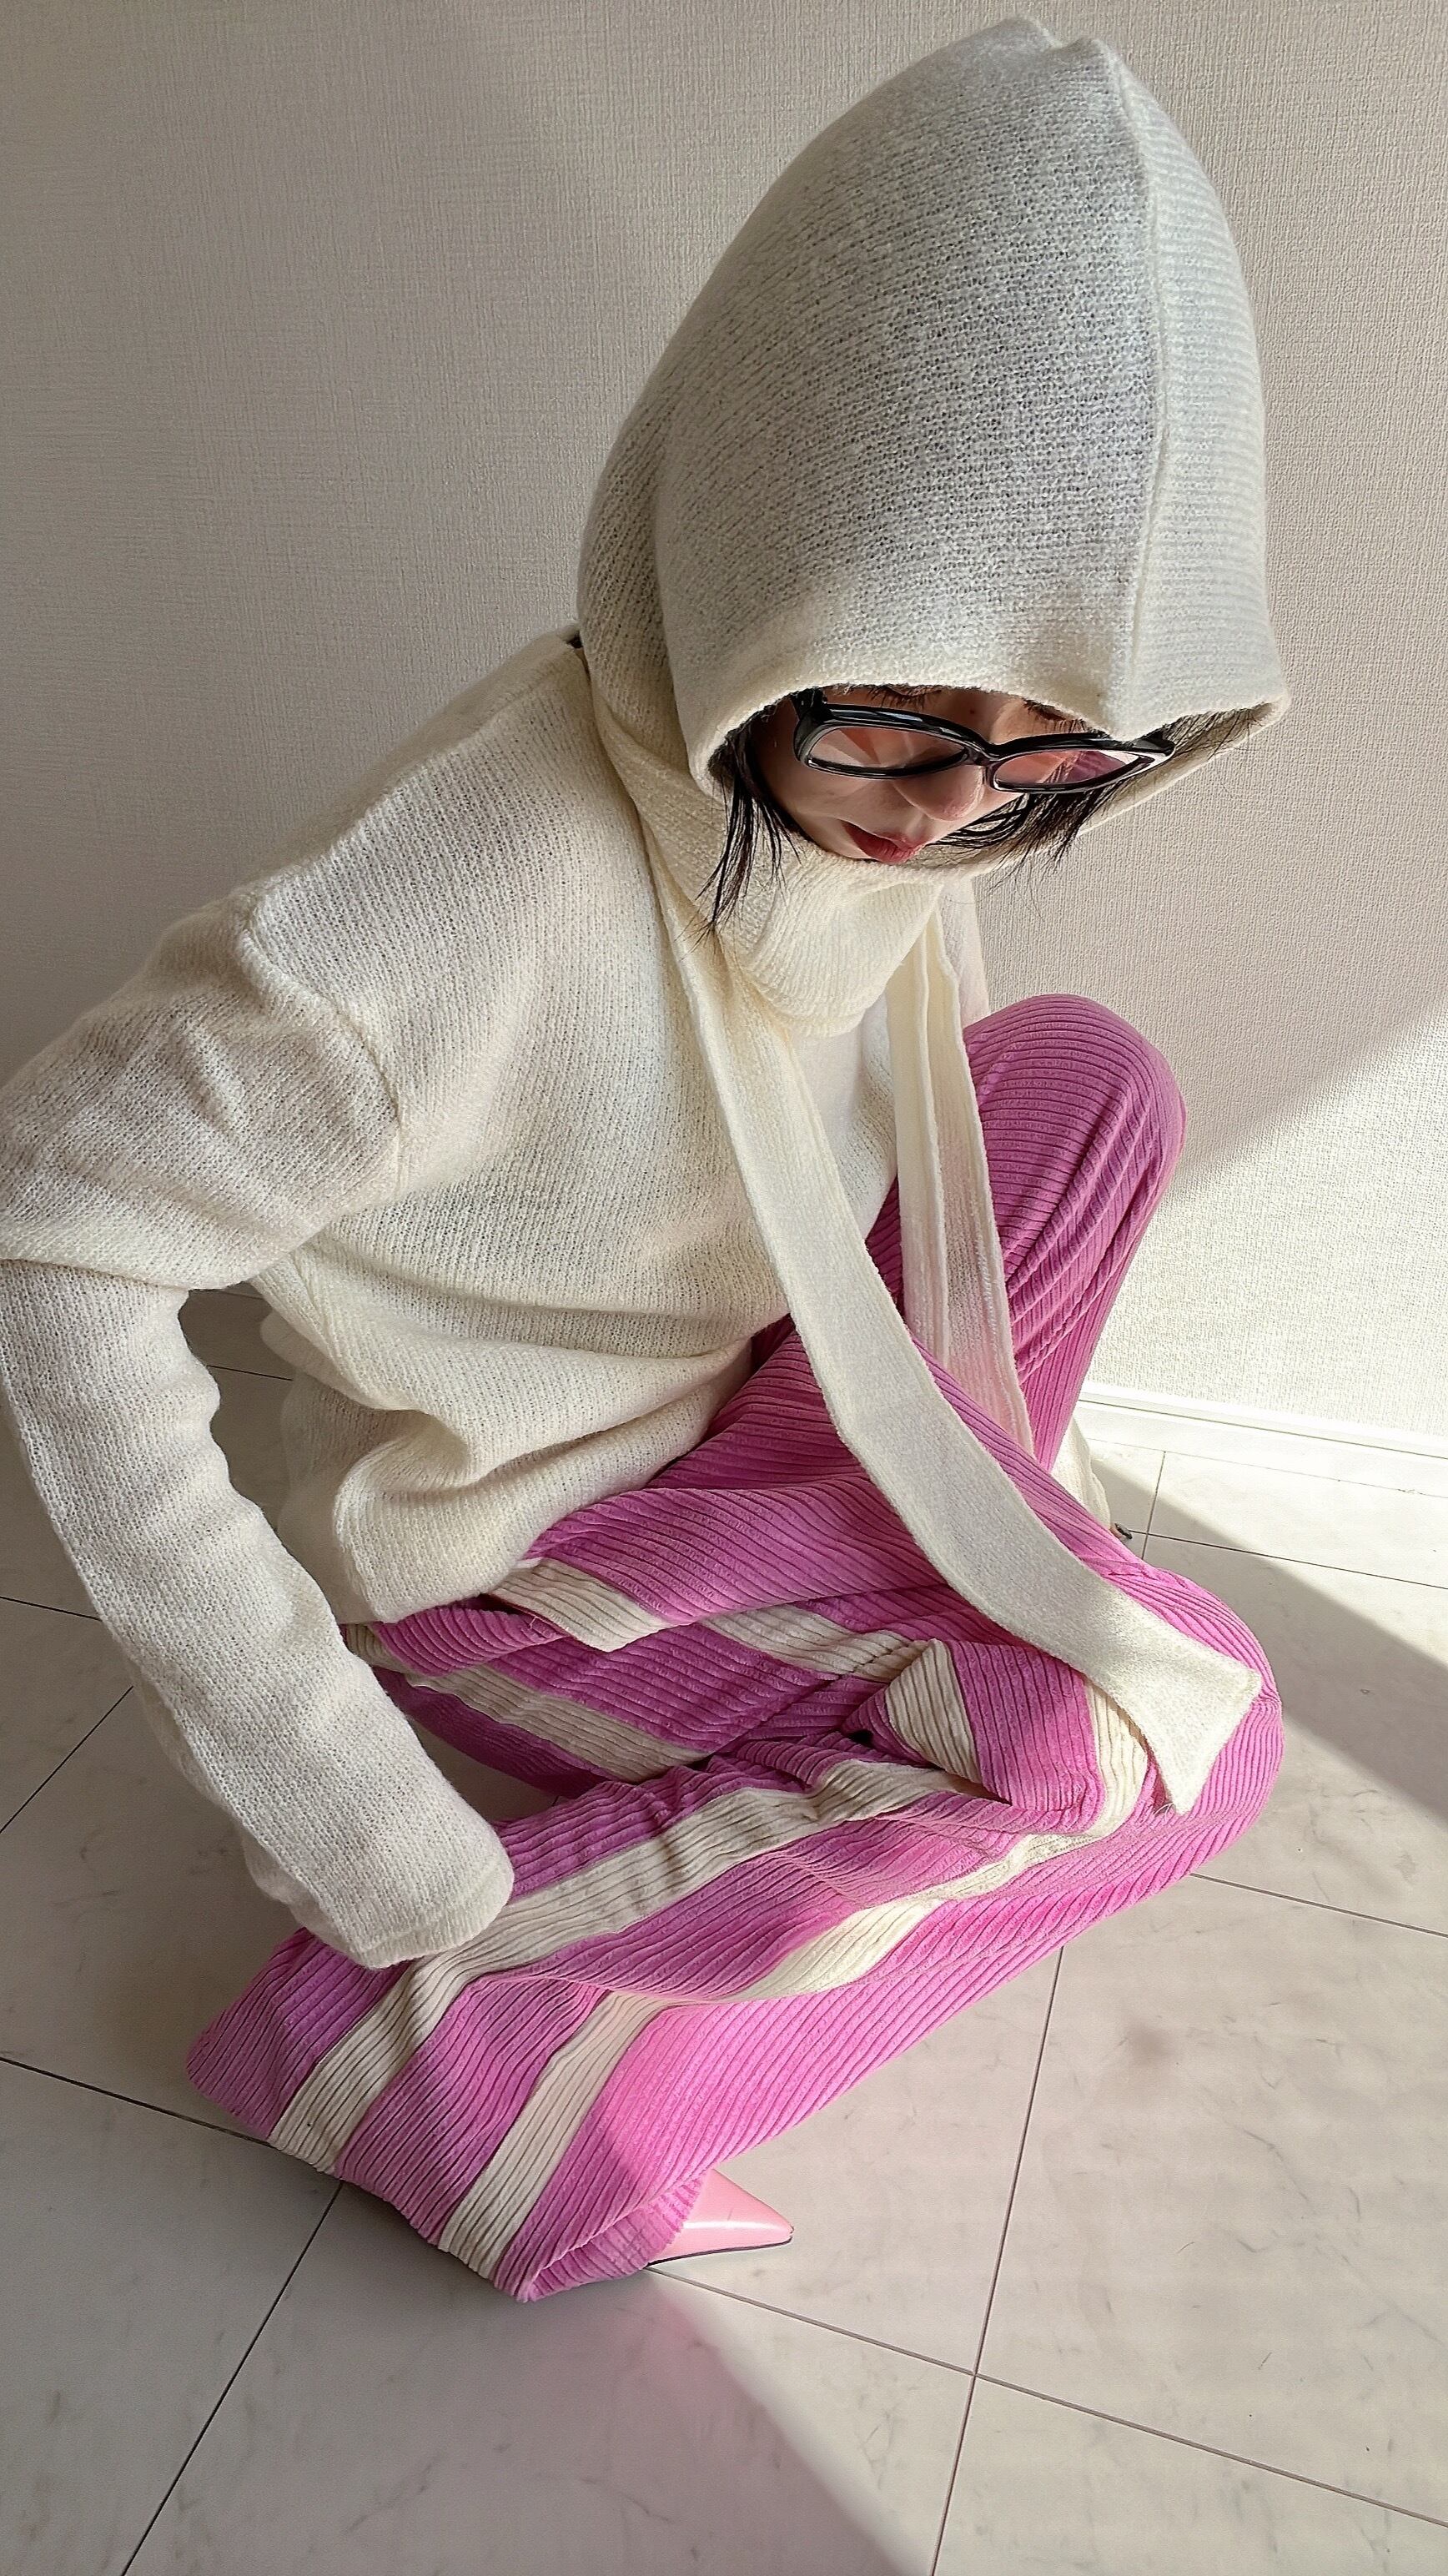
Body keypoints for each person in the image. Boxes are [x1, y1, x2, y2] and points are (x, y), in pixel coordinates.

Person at [0, 19, 1289, 2300]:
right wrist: (359, 1822)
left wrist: (966, 1496)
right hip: (504, 1543)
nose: (951, 809)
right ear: (753, 561)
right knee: (1159, 1736)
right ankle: (464, 2058)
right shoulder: (430, 917)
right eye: (898, 709)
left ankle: (860, 1612)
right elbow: (50, 1237)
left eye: (1054, 754)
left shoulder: (884, 792)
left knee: (1086, 1082)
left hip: (727, 1408)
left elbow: (897, 1028)